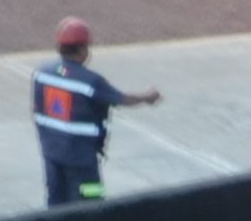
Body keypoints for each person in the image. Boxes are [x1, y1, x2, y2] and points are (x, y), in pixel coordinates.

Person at [29, 17, 157, 206]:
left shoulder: (42, 72)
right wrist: (147, 97)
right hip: (82, 160)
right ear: (81, 50)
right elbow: (122, 99)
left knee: (56, 205)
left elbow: (35, 108)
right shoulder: (90, 81)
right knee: (92, 204)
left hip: (51, 154)